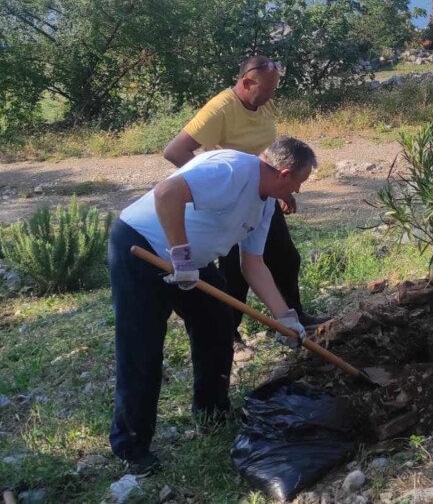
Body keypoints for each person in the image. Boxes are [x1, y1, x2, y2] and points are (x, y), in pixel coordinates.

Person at [107, 137, 316, 476]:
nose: (300, 191)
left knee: (218, 327)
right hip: (142, 248)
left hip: (189, 257)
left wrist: (285, 317)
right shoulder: (231, 170)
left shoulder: (264, 204)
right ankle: (131, 445)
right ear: (285, 173)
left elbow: (254, 264)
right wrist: (181, 256)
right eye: (300, 182)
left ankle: (211, 412)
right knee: (141, 347)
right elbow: (166, 193)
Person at [163, 56, 329, 332]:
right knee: (233, 269)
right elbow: (174, 151)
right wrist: (212, 183)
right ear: (247, 82)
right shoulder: (220, 109)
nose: (272, 95)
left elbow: (271, 154)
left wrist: (284, 190)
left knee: (285, 257)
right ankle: (229, 331)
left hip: (265, 190)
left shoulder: (264, 104)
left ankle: (292, 318)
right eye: (267, 89)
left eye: (275, 89)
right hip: (232, 198)